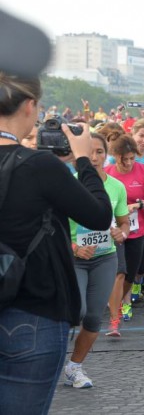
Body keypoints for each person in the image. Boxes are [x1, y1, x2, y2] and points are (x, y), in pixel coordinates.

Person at [0, 73, 112, 413]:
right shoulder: (40, 166)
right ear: (31, 105)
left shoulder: (40, 165)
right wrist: (82, 159)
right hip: (33, 309)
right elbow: (98, 215)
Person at [64, 133, 130, 388]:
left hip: (105, 258)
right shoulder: (66, 183)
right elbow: (51, 224)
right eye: (89, 152)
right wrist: (73, 247)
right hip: (74, 258)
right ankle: (52, 354)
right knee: (75, 311)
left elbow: (124, 222)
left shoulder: (116, 186)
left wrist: (121, 233)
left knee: (92, 317)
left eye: (99, 152)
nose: (94, 157)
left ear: (107, 155)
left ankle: (74, 367)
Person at [104, 135, 144, 329]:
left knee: (133, 272)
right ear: (116, 156)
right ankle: (117, 312)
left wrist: (141, 204)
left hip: (138, 229)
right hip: (114, 231)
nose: (130, 162)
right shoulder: (107, 173)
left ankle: (121, 298)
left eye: (133, 158)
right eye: (125, 159)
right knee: (119, 272)